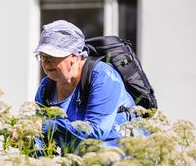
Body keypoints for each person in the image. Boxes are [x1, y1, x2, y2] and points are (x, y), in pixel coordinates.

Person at [33, 20, 136, 155]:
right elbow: (44, 145)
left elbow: (95, 133)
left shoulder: (103, 76)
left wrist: (47, 126)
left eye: (52, 56)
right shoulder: (46, 87)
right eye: (42, 56)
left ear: (75, 55)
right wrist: (28, 140)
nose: (46, 62)